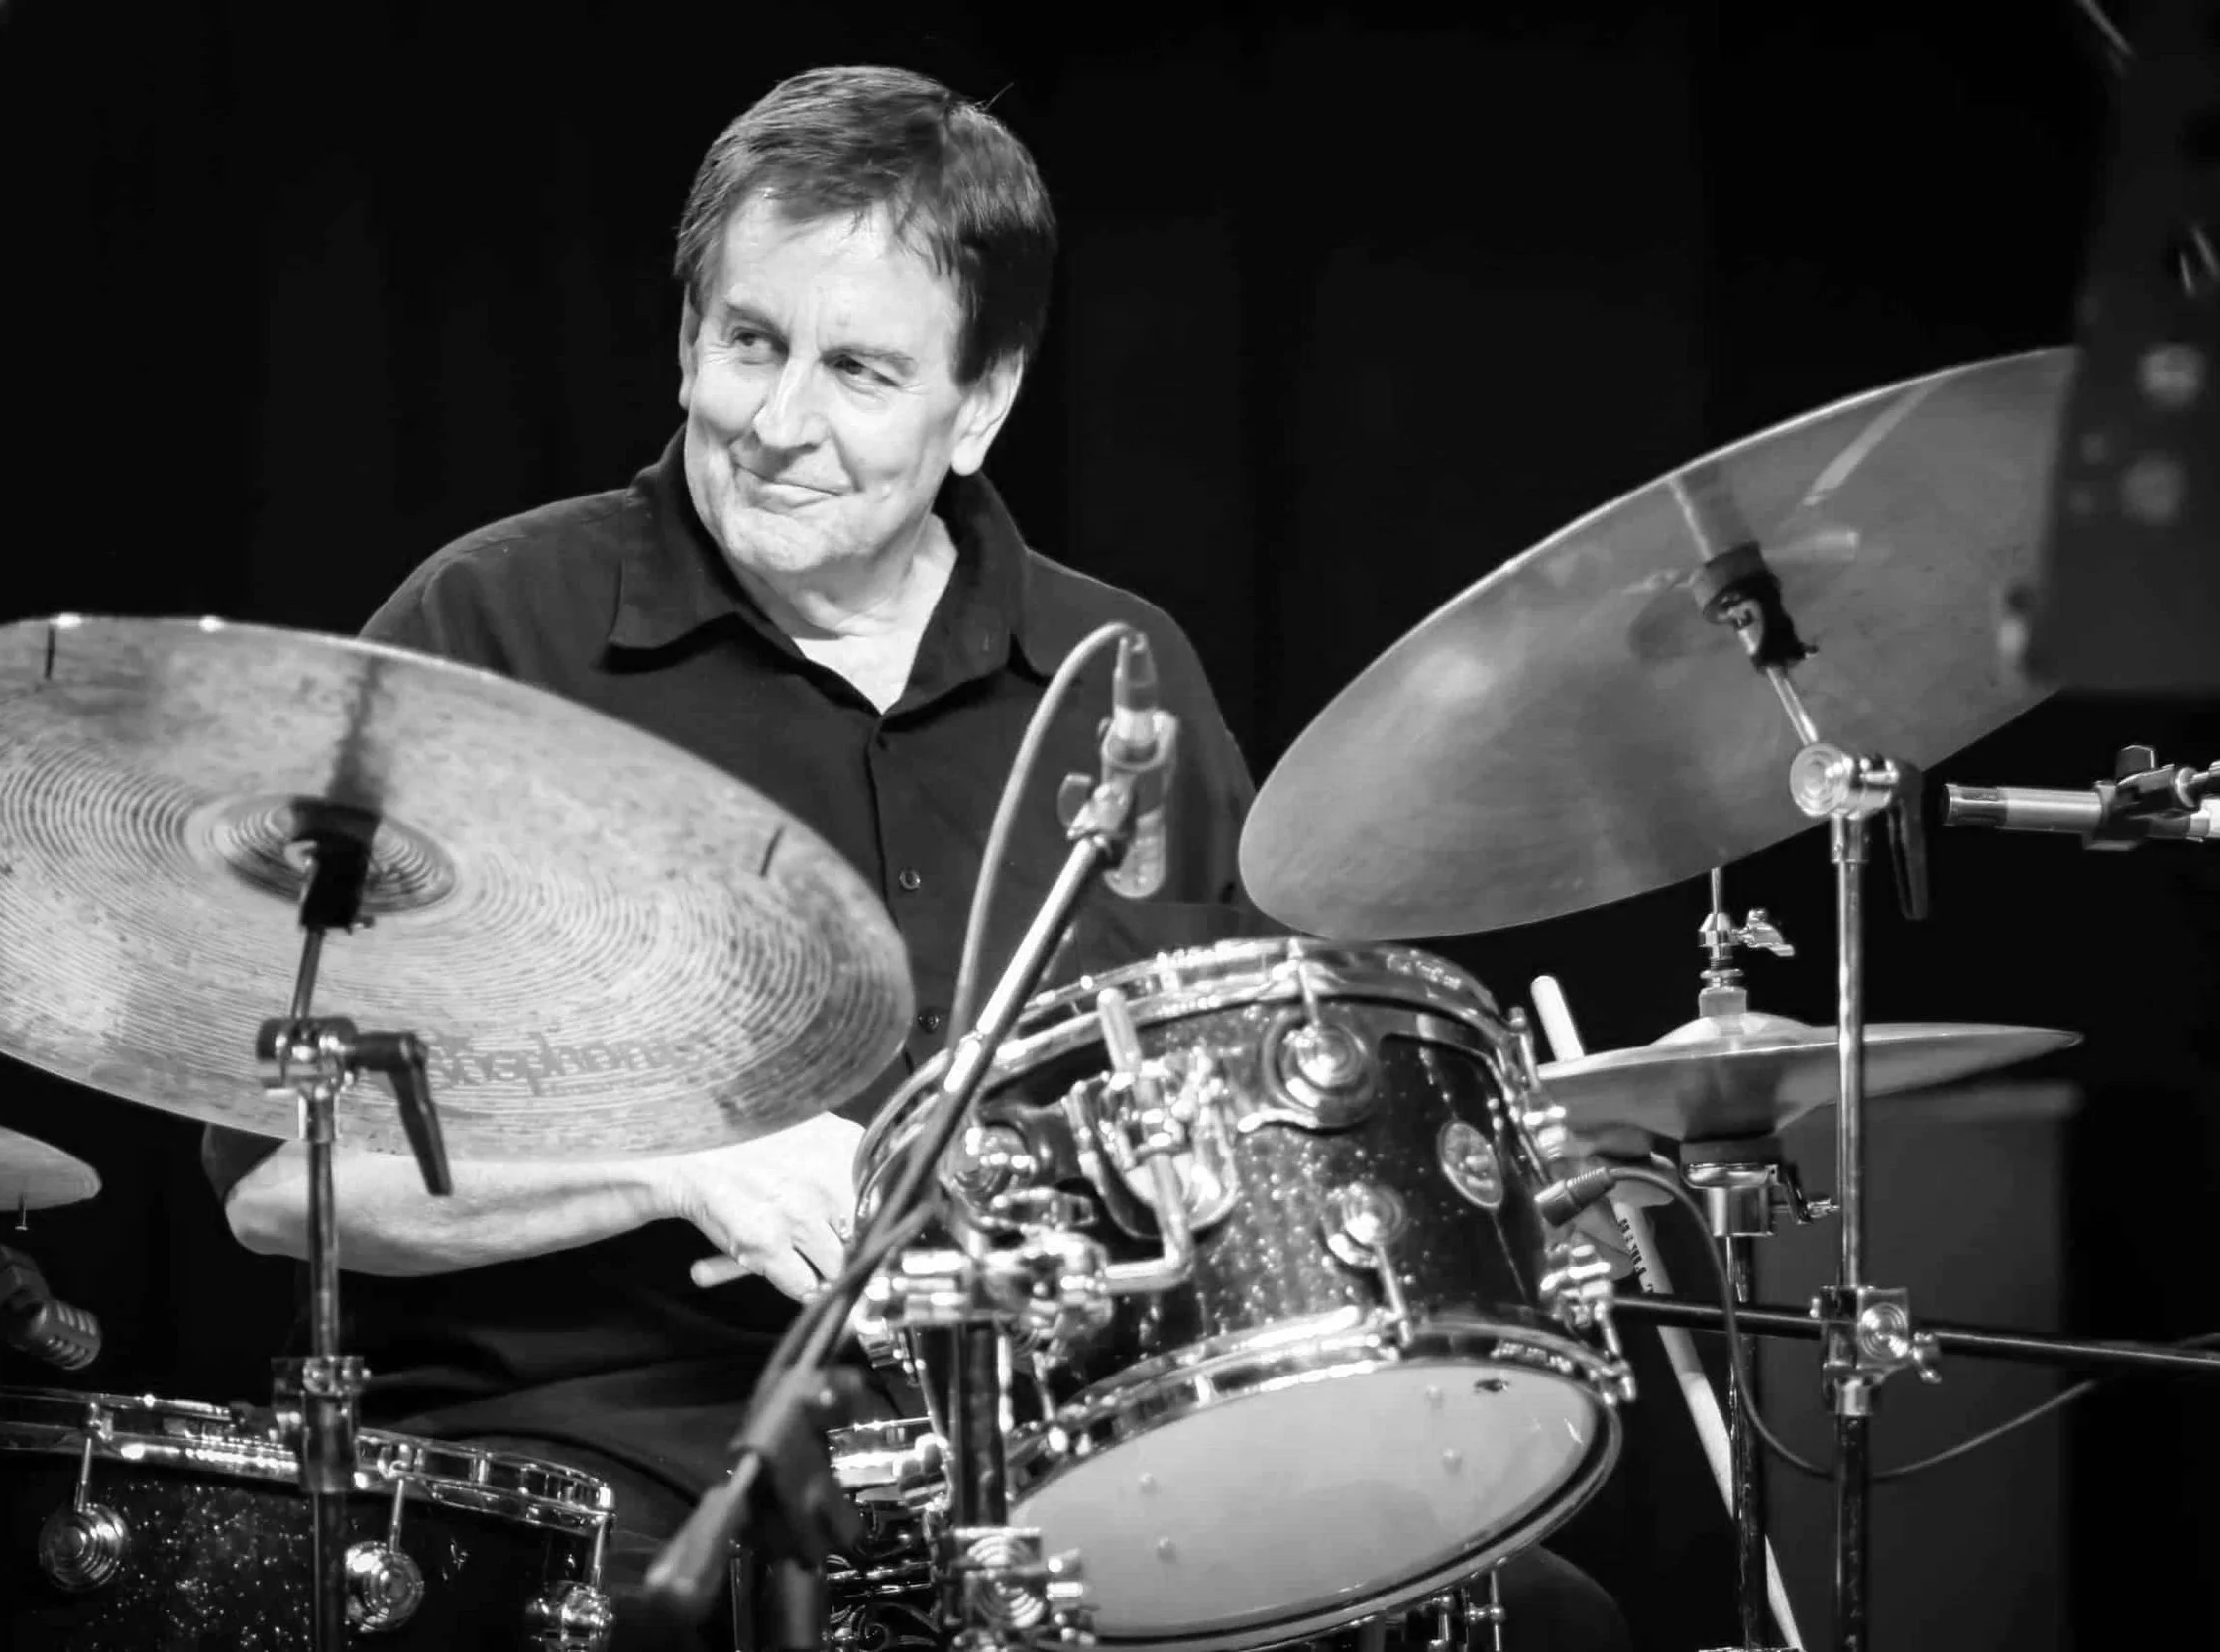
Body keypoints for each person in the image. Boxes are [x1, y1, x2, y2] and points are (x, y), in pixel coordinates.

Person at [203, 65, 1628, 1651]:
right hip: (612, 1455)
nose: (778, 420)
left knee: (1533, 1617)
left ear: (984, 403)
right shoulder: (489, 631)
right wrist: (670, 1161)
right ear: (688, 334)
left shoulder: (1115, 666)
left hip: (1044, 1458)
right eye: (749, 342)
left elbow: (1265, 1128)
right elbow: (280, 1182)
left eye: (862, 370)